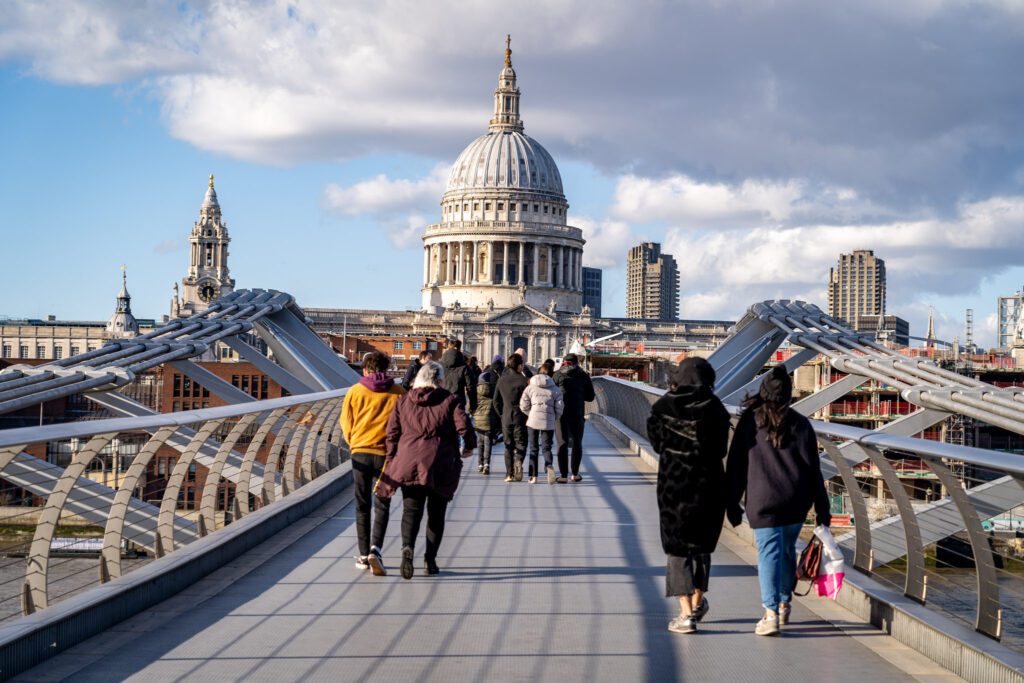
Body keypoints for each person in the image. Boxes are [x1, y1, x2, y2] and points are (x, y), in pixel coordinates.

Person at [727, 365, 832, 636]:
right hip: (796, 500)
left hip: (762, 501)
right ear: (789, 395)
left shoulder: (750, 422)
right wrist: (823, 510)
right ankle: (784, 603)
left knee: (768, 553)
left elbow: (736, 466)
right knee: (786, 550)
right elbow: (813, 470)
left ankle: (770, 612)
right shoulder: (801, 424)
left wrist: (732, 503)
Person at [647, 358, 731, 635]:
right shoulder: (717, 409)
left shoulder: (662, 408)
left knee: (677, 547)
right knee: (702, 546)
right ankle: (696, 604)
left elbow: (657, 444)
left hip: (674, 485)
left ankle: (685, 615)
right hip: (709, 484)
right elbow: (720, 450)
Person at [377, 361, 477, 579]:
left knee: (411, 510)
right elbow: (464, 427)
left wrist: (393, 458)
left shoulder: (403, 401)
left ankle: (407, 549)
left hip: (409, 462)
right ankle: (430, 561)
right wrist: (469, 446)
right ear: (439, 380)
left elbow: (392, 433)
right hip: (440, 463)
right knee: (436, 514)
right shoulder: (450, 400)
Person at [339, 350, 405, 576]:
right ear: (386, 369)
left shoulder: (355, 392)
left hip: (360, 452)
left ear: (365, 369)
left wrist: (354, 443)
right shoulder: (398, 392)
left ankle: (363, 553)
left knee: (361, 504)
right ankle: (376, 550)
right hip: (386, 456)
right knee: (383, 503)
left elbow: (346, 424)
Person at [520, 359, 564, 484]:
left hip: (533, 421)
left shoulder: (530, 387)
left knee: (533, 448)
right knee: (546, 447)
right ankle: (549, 466)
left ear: (538, 373)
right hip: (548, 421)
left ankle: (533, 476)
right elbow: (560, 407)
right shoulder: (555, 389)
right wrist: (554, 417)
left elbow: (523, 404)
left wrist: (531, 414)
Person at [553, 353, 595, 483]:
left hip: (561, 413)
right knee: (577, 443)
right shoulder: (583, 375)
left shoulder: (557, 375)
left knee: (562, 443)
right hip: (577, 413)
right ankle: (575, 474)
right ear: (577, 363)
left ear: (564, 362)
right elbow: (590, 397)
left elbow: (551, 393)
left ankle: (563, 475)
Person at [493, 353, 529, 482]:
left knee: (508, 445)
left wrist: (501, 414)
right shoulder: (524, 381)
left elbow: (496, 401)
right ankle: (518, 461)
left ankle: (509, 474)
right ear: (519, 366)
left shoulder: (501, 380)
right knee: (521, 443)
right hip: (521, 417)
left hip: (506, 416)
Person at [473, 355, 505, 475]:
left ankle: (479, 464)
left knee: (480, 442)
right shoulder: (492, 393)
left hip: (478, 420)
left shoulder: (477, 393)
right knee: (488, 442)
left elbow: (470, 406)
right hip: (489, 419)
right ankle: (487, 463)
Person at [440, 338, 477, 412]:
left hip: (441, 401)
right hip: (458, 402)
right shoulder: (465, 367)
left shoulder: (438, 365)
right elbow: (471, 387)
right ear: (459, 348)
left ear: (448, 347)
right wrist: (473, 406)